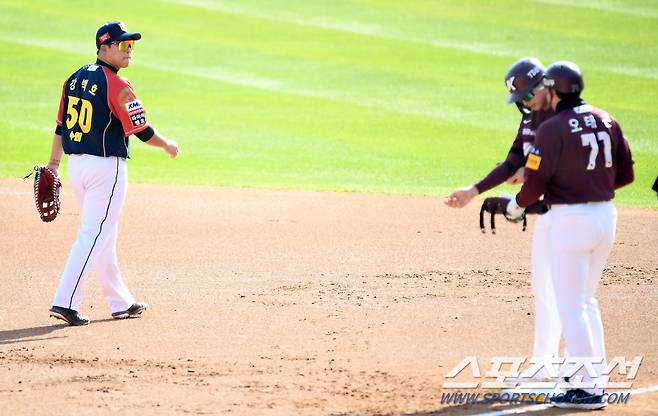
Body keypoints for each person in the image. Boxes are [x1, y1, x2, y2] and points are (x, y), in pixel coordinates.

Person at [505, 61, 634, 409]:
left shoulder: (553, 128)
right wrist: (590, 186)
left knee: (571, 305)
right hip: (606, 216)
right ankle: (592, 377)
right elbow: (625, 175)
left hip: (571, 221)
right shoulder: (608, 119)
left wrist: (515, 207)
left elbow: (533, 186)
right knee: (586, 301)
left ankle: (588, 389)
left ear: (554, 89)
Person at [46, 21, 179, 326]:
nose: (128, 50)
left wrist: (54, 163)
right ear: (104, 48)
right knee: (94, 233)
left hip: (76, 166)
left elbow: (59, 127)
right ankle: (64, 302)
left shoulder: (74, 79)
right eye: (122, 45)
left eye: (130, 45)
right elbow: (142, 131)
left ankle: (120, 301)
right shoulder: (118, 85)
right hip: (106, 168)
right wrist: (167, 144)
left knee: (104, 233)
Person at [445, 58, 562, 384]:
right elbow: (513, 161)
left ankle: (555, 367)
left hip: (566, 213)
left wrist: (529, 180)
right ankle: (547, 363)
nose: (523, 103)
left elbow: (559, 166)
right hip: (549, 213)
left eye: (526, 96)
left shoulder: (561, 119)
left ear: (543, 86)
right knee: (544, 286)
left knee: (562, 291)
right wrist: (474, 190)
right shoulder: (530, 121)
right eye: (519, 98)